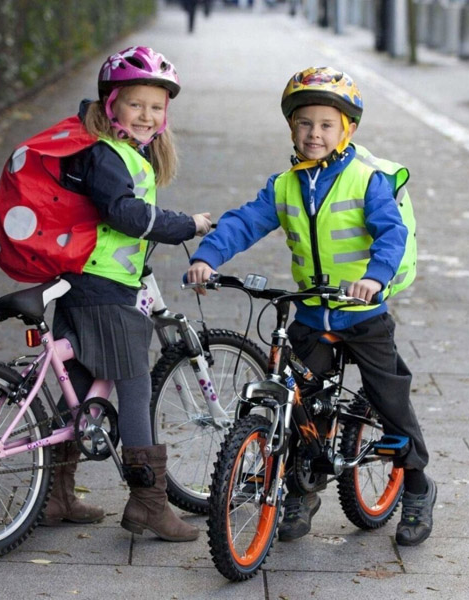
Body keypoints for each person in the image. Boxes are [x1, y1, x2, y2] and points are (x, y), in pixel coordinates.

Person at [186, 66, 435, 546]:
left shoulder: (367, 180)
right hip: (310, 313)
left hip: (363, 313)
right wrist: (207, 256)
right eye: (304, 123)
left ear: (348, 130)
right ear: (291, 128)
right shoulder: (285, 185)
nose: (314, 133)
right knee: (301, 400)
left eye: (326, 124)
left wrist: (373, 279)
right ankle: (301, 491)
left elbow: (392, 235)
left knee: (390, 400)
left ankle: (419, 488)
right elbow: (244, 222)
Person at [42, 46, 211, 542]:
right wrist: (187, 225)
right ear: (111, 104)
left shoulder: (114, 152)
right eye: (136, 104)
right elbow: (125, 214)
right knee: (135, 385)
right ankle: (148, 504)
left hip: (80, 281)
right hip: (104, 288)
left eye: (156, 107)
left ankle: (56, 495)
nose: (146, 115)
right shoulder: (107, 153)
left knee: (75, 385)